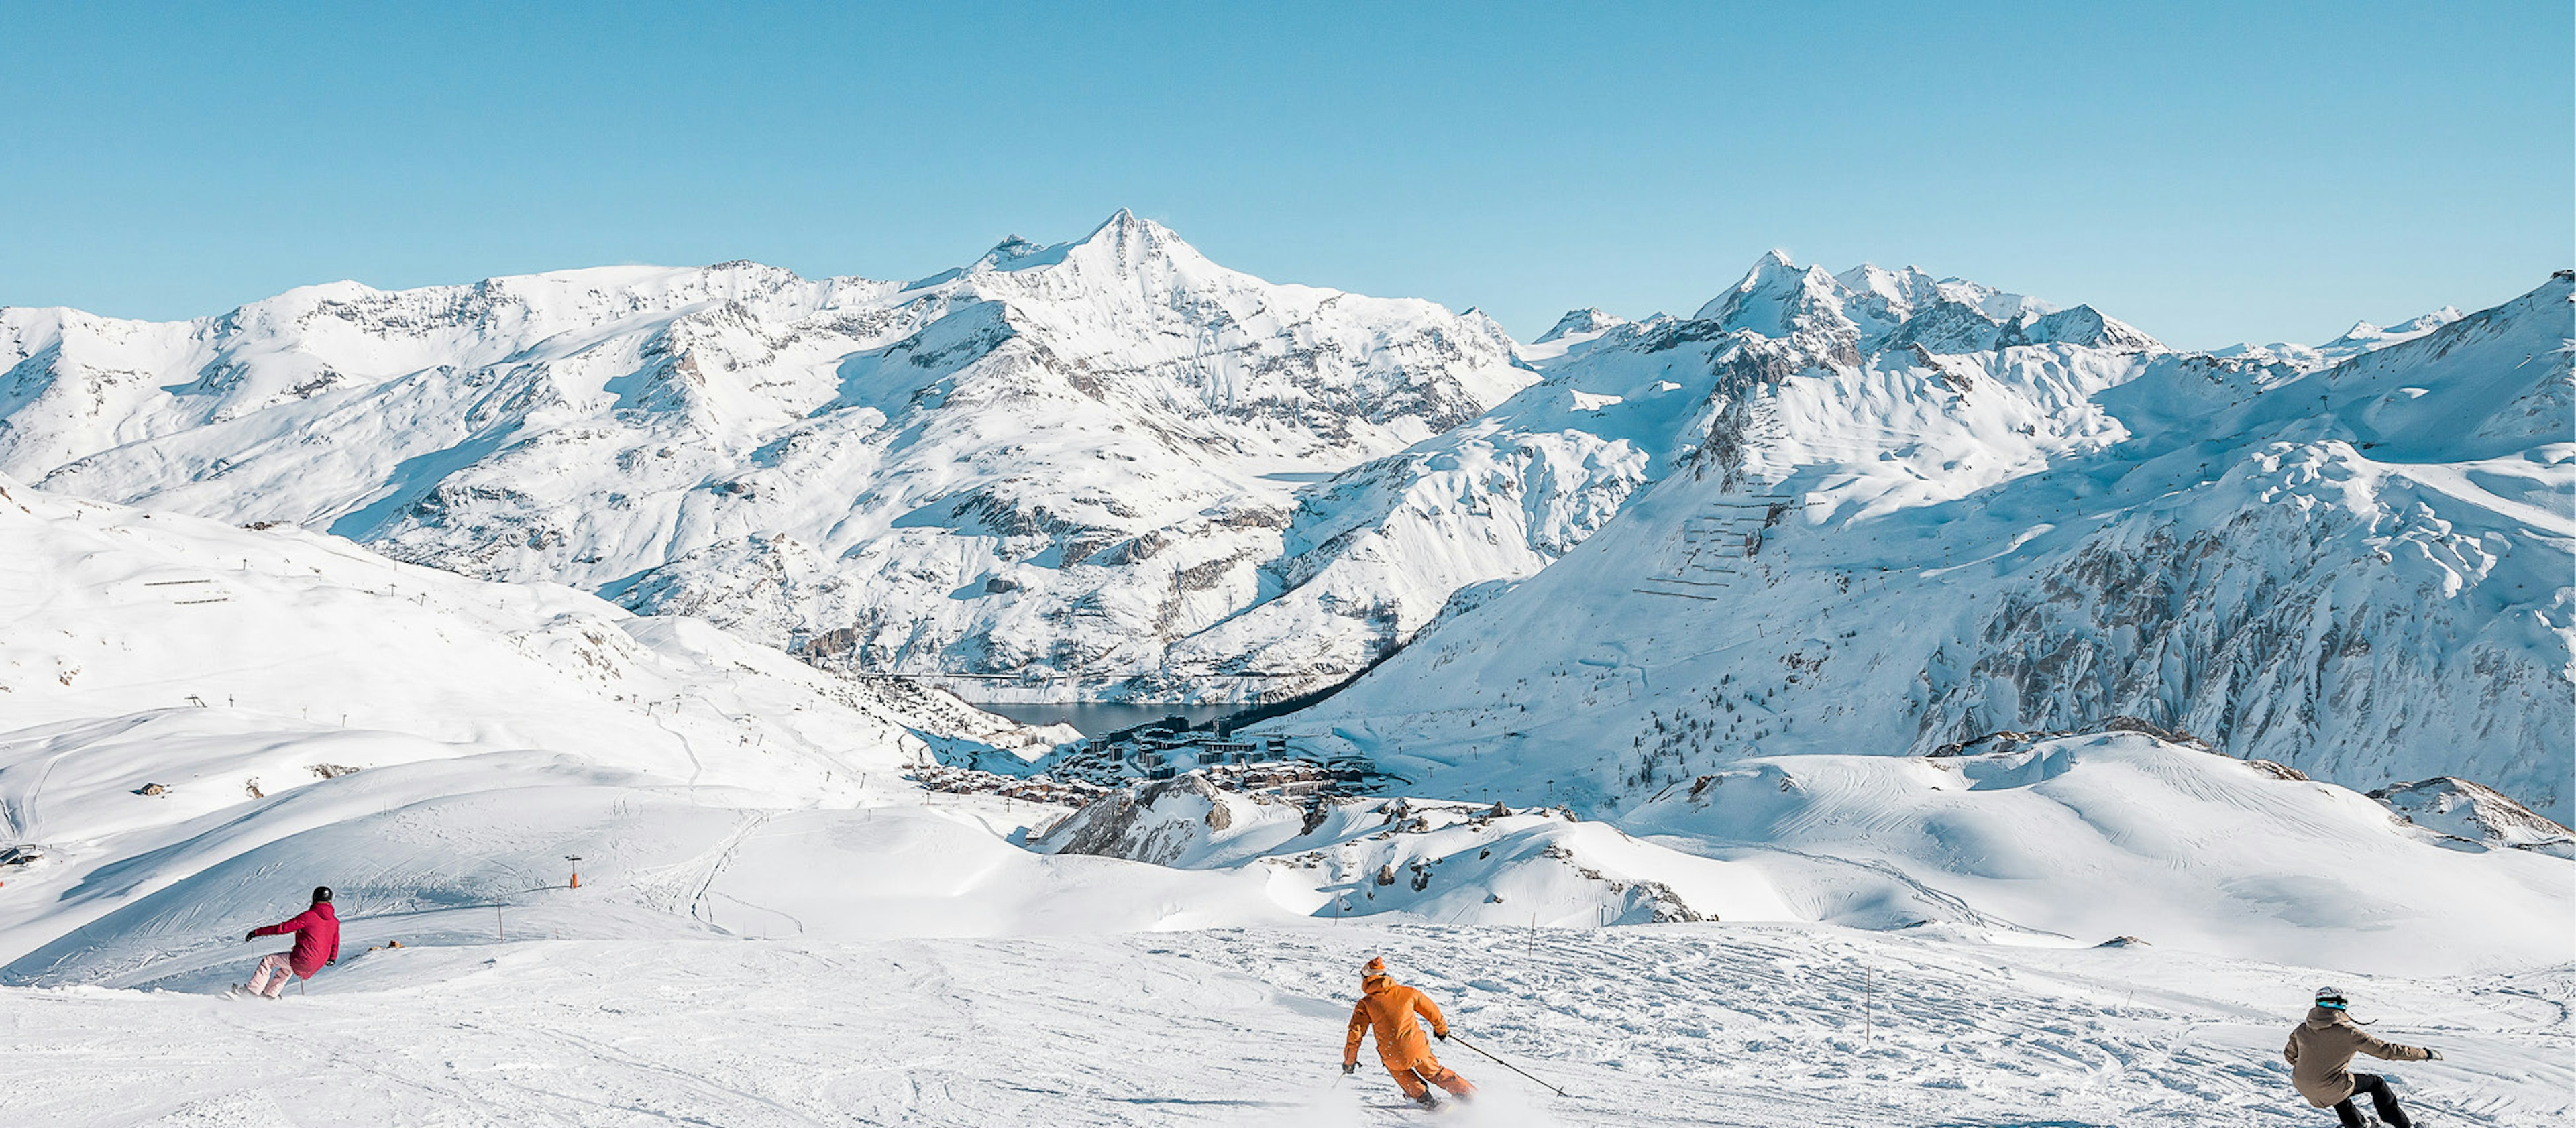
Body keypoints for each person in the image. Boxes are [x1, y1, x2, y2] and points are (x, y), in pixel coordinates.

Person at [2284, 986, 2440, 1127]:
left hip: (2302, 1085)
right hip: (2329, 1087)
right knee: (2376, 1083)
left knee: (2338, 1085)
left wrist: (2312, 1068)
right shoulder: (2349, 1034)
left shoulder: (2302, 1029)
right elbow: (2387, 1050)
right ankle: (2402, 1125)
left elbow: (2290, 1056)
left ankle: (2358, 1124)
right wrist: (2424, 1053)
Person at [1342, 956, 1476, 1109]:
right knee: (1435, 1073)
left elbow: (1355, 1034)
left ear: (1366, 979)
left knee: (1400, 1073)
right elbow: (1432, 1011)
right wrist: (1442, 1030)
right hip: (1416, 1048)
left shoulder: (1365, 1004)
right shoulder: (1408, 993)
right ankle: (1469, 1095)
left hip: (1391, 1053)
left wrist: (1349, 1061)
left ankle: (1425, 1100)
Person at [232, 885, 341, 1000]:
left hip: (304, 959)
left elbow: (282, 929)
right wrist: (332, 958)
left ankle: (251, 992)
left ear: (314, 898)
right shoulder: (335, 922)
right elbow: (335, 942)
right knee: (287, 967)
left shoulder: (307, 917)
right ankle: (270, 994)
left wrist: (257, 932)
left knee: (269, 960)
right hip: (319, 962)